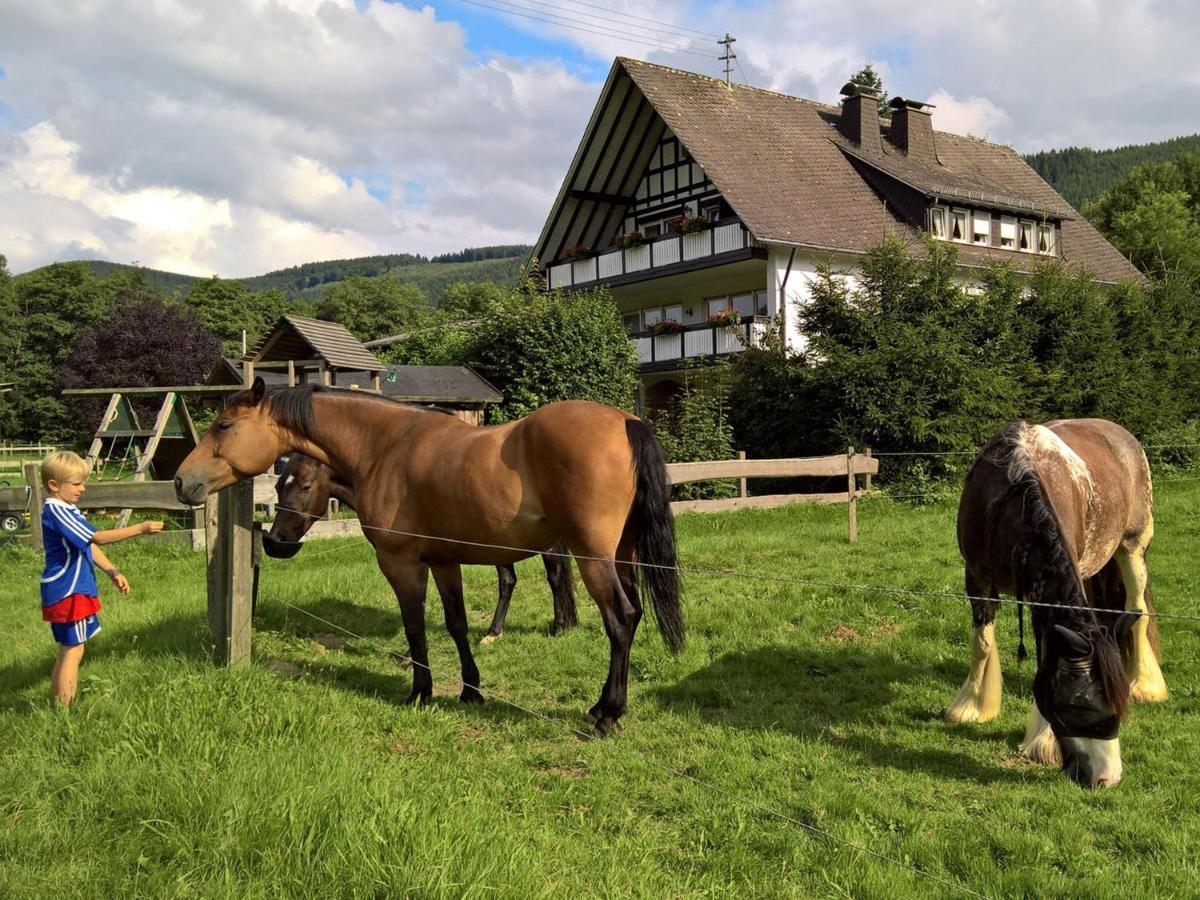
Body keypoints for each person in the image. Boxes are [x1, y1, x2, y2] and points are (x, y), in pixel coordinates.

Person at [39, 451, 164, 705]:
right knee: (74, 650)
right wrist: (140, 528)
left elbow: (86, 544)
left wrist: (112, 570)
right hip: (69, 590)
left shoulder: (65, 509)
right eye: (76, 484)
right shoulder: (59, 511)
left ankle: (58, 705)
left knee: (68, 649)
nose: (82, 489)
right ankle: (65, 710)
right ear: (54, 485)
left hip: (66, 590)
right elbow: (96, 538)